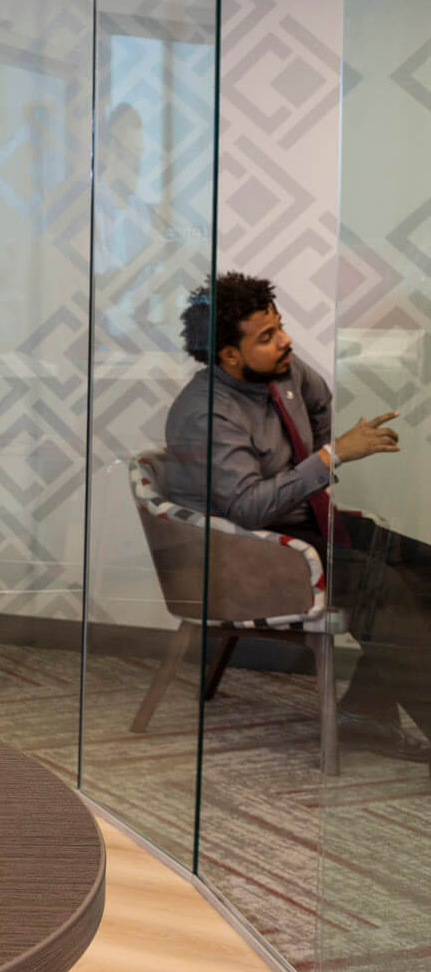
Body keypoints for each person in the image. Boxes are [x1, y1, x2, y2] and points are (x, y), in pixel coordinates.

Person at [165, 271, 429, 762]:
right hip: (245, 553)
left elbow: (320, 398)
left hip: (300, 527)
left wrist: (316, 458)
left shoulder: (281, 370)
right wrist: (331, 458)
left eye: (280, 326)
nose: (285, 340)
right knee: (383, 589)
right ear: (228, 355)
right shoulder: (205, 413)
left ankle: (367, 715)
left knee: (423, 569)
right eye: (266, 336)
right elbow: (246, 508)